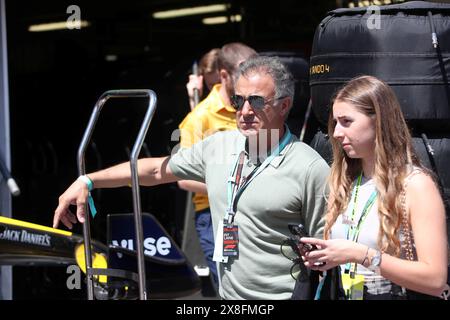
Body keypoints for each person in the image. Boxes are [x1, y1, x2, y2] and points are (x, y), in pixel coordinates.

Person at [53, 55, 330, 300]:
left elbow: (329, 256)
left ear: (284, 106)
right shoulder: (219, 146)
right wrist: (88, 180)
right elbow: (154, 170)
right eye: (238, 100)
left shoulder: (308, 168)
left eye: (256, 101)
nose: (245, 112)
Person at [300, 75, 448, 299]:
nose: (337, 132)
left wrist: (361, 255)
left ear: (378, 121)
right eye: (335, 123)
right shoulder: (345, 181)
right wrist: (323, 257)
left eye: (346, 121)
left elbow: (435, 279)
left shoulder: (416, 185)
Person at [177, 43, 257, 287]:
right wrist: (232, 188)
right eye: (243, 76)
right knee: (228, 286)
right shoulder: (198, 118)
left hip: (253, 213)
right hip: (214, 218)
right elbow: (183, 178)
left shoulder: (254, 109)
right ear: (224, 75)